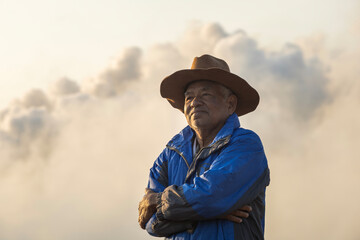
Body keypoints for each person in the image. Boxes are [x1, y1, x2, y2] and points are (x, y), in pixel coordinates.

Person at [138, 54, 270, 239]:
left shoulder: (246, 145)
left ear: (230, 104)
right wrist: (202, 214)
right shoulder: (170, 153)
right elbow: (150, 222)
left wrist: (157, 200)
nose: (194, 102)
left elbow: (212, 197)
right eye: (189, 97)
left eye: (206, 94)